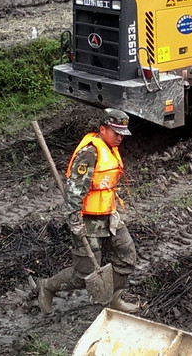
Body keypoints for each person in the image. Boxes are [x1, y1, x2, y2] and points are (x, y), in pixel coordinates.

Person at [38, 108, 142, 315]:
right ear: (103, 129)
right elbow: (75, 188)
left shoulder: (110, 147)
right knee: (83, 274)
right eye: (116, 133)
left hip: (109, 215)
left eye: (123, 134)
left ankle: (115, 298)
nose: (120, 138)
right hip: (88, 219)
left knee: (126, 254)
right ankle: (47, 286)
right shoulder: (89, 153)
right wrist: (75, 219)